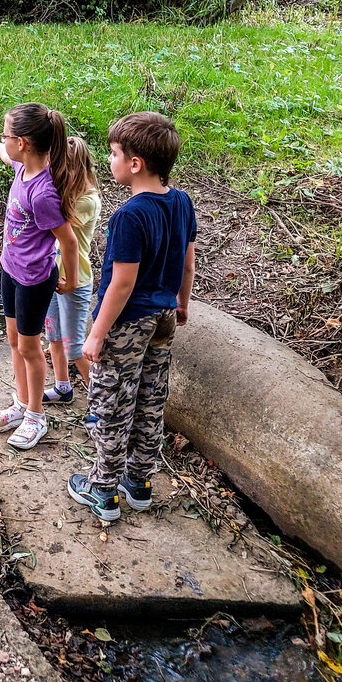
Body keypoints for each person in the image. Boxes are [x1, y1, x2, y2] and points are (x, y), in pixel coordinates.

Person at [67, 112, 197, 523]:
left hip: (128, 322)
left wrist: (96, 334)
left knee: (113, 402)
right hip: (162, 316)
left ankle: (103, 490)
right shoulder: (180, 203)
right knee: (150, 397)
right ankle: (138, 482)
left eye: (114, 153)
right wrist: (182, 303)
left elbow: (121, 284)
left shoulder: (130, 216)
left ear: (135, 163)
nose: (110, 160)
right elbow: (188, 264)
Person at [0, 102, 79, 450]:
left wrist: (69, 279)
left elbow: (67, 241)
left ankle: (36, 415)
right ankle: (21, 403)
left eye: (5, 135)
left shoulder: (45, 192)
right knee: (12, 339)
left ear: (22, 142)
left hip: (35, 278)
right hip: (11, 268)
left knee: (30, 347)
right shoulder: (23, 167)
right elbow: (11, 160)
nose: (4, 140)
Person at [40, 136, 102, 405]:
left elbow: (60, 222)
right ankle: (63, 387)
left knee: (75, 347)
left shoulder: (87, 200)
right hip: (55, 275)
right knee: (53, 335)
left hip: (76, 281)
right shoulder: (71, 193)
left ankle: (101, 405)